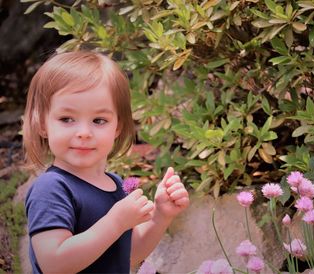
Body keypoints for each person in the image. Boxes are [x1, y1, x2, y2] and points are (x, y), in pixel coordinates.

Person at [22, 51, 190, 273]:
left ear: (117, 127)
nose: (84, 132)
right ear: (42, 123)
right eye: (67, 119)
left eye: (99, 120)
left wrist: (161, 215)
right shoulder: (51, 188)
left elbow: (127, 255)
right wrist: (116, 222)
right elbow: (54, 264)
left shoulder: (114, 184)